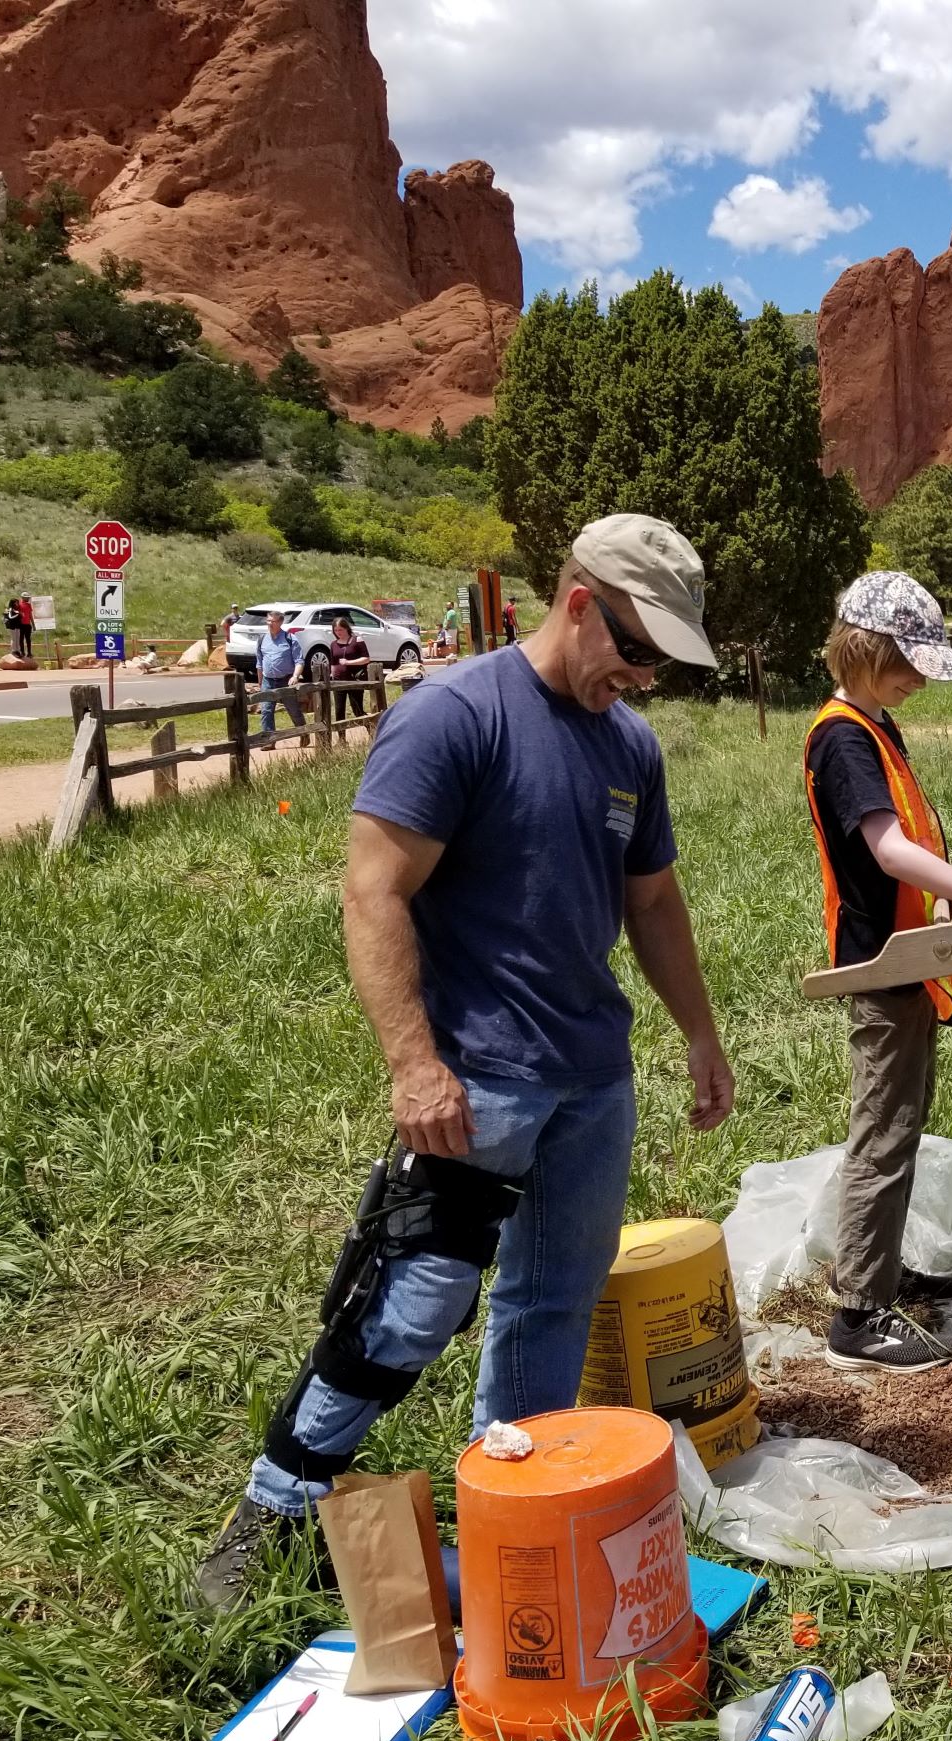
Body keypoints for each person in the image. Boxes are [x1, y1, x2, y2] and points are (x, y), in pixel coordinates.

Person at [197, 514, 736, 1609]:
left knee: (553, 1302)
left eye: (660, 666)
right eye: (634, 650)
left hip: (591, 1076)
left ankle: (513, 1508)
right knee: (409, 1305)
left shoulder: (629, 745)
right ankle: (277, 1504)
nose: (640, 678)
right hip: (476, 1079)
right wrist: (414, 1064)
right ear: (579, 599)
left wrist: (699, 1030)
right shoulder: (455, 715)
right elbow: (373, 890)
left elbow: (653, 901)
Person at [802, 571, 952, 1373]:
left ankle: (877, 1271)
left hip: (909, 952)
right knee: (883, 1134)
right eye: (909, 664)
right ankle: (857, 1317)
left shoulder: (873, 725)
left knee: (899, 1123)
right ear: (867, 650)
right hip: (883, 961)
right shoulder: (842, 736)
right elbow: (887, 849)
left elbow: (909, 849)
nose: (917, 682)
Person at [254, 610, 307, 738]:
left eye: (273, 621)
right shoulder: (262, 639)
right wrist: (260, 682)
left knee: (293, 710)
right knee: (266, 711)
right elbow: (259, 663)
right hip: (268, 680)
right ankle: (269, 740)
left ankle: (303, 733)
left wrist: (295, 676)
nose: (270, 624)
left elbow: (299, 661)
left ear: (281, 622)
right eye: (268, 620)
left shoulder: (290, 639)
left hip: (285, 680)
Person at [324, 612, 371, 728]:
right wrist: (332, 674)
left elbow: (366, 659)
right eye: (336, 630)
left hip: (355, 680)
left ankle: (371, 730)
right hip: (338, 681)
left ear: (346, 628)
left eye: (340, 630)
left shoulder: (357, 640)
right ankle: (342, 739)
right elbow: (333, 662)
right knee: (339, 711)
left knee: (357, 709)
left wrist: (349, 662)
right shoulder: (333, 644)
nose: (338, 632)